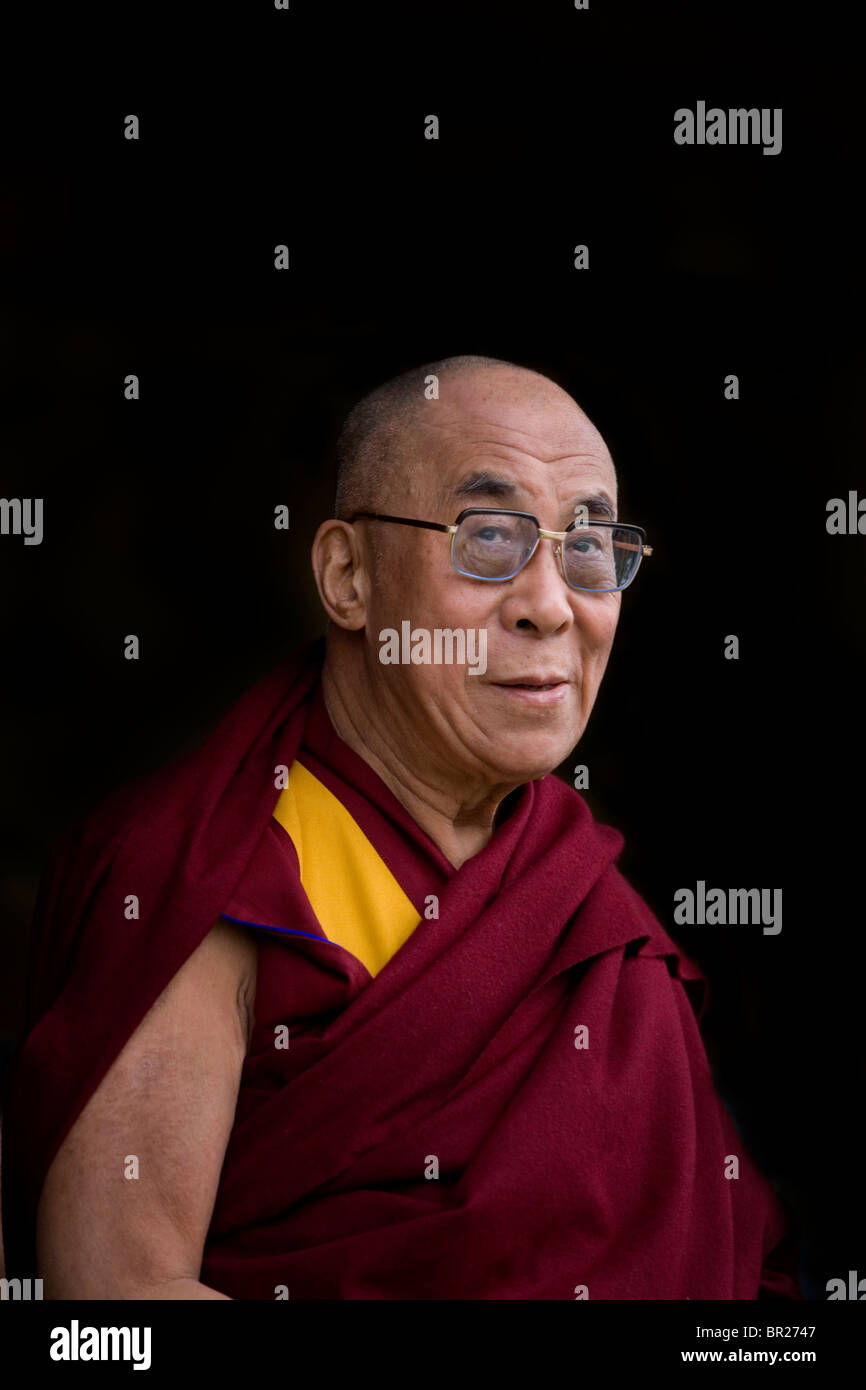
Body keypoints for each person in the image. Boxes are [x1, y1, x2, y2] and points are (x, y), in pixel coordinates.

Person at [0, 355, 801, 1299]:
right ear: (347, 576)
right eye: (489, 536)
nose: (551, 606)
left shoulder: (588, 909)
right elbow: (115, 1304)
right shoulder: (207, 870)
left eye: (588, 546)